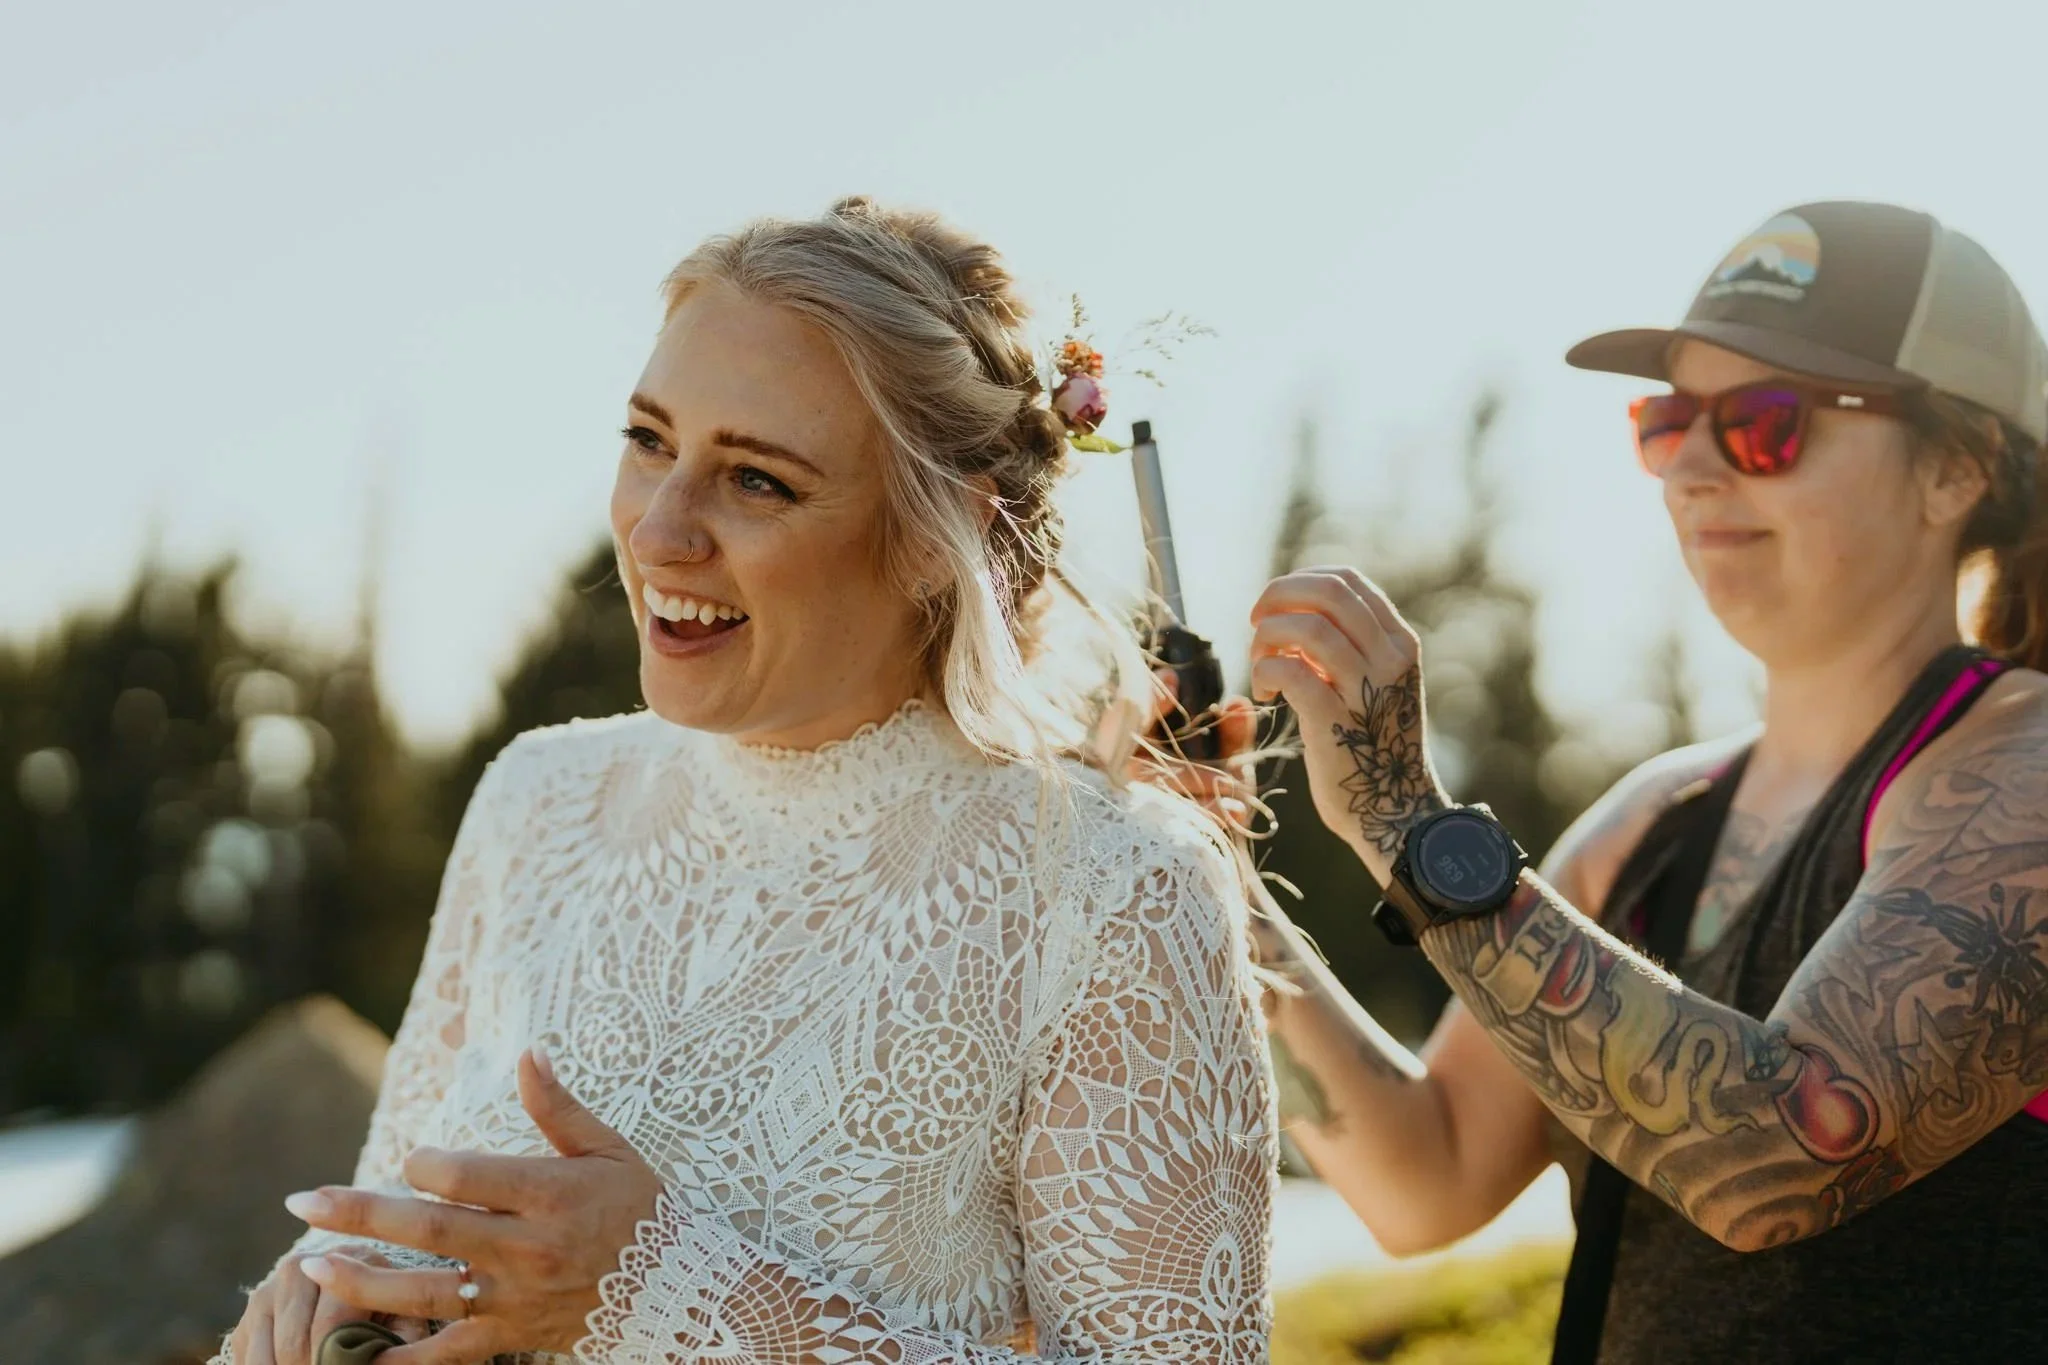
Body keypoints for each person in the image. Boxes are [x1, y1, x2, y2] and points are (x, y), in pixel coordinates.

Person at [215, 196, 1276, 1365]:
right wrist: (327, 1312)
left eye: (757, 480)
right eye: (648, 440)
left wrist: (674, 1301)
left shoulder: (1110, 892)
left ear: (942, 536)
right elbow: (406, 1228)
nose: (660, 531)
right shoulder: (539, 805)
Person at [1240, 201, 2048, 1362]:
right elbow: (1425, 1176)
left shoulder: (2018, 768)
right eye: (1670, 423)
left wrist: (1401, 819)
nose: (1695, 471)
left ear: (1955, 467)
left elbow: (1772, 1161)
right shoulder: (1654, 815)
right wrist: (1211, 878)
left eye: (1765, 424)